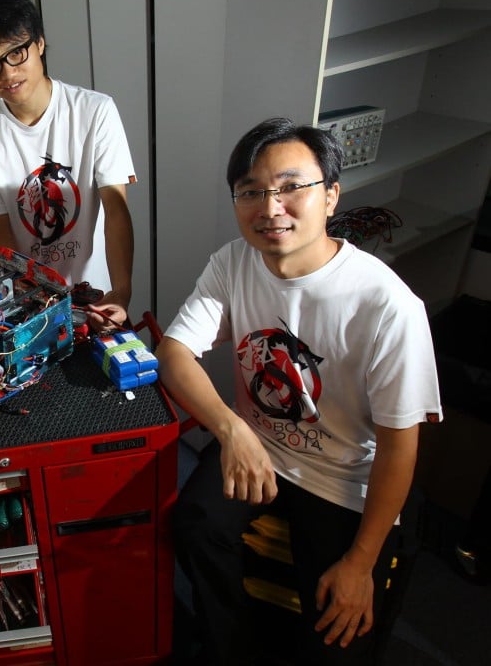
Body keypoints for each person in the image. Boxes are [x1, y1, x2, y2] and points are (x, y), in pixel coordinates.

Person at [157, 117, 442, 665]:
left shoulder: (387, 306)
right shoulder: (233, 262)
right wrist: (231, 429)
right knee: (195, 527)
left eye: (291, 188)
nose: (270, 208)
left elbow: (400, 446)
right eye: (251, 192)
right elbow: (174, 353)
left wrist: (361, 563)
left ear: (330, 195)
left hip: (343, 477)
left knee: (338, 623)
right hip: (259, 447)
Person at [0, 0, 136, 330]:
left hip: (99, 295)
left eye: (16, 53)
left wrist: (122, 292)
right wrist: (37, 302)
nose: (7, 73)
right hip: (34, 305)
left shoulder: (95, 111)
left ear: (39, 43)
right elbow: (1, 237)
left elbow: (116, 210)